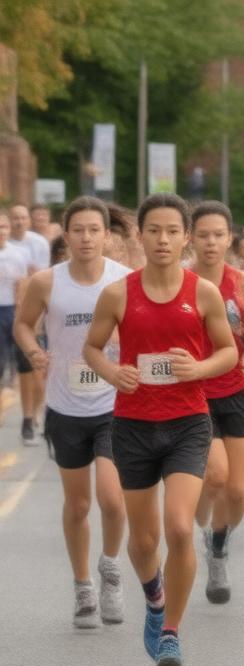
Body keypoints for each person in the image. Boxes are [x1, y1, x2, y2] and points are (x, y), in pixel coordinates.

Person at [82, 193, 237, 666]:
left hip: (188, 422)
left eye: (173, 231)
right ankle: (154, 597)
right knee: (144, 540)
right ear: (140, 236)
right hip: (132, 425)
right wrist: (112, 371)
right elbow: (92, 348)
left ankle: (171, 631)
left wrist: (200, 367)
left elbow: (229, 353)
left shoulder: (204, 293)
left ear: (186, 237)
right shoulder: (119, 294)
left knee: (178, 527)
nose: (164, 239)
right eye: (154, 230)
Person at [12, 197, 129, 628]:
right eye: (77, 229)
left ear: (106, 235)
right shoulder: (47, 282)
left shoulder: (124, 282)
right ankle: (83, 586)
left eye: (93, 230)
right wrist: (33, 350)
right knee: (78, 504)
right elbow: (24, 324)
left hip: (113, 404)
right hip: (65, 406)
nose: (85, 237)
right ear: (66, 234)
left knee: (113, 499)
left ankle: (111, 570)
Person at [190, 201, 244, 604]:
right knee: (216, 475)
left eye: (218, 235)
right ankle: (196, 515)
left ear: (229, 239)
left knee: (238, 493)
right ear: (191, 237)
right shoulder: (181, 280)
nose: (210, 242)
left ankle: (217, 544)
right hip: (193, 393)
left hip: (237, 389)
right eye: (203, 235)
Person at [6, 204, 50, 444]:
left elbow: (40, 277)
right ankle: (27, 418)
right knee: (26, 370)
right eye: (15, 218)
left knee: (41, 371)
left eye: (22, 217)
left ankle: (38, 415)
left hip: (42, 312)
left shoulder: (39, 244)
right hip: (19, 311)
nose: (18, 222)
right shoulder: (8, 247)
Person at [0, 210, 30, 405]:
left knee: (15, 353)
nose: (1, 231)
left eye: (4, 226)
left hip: (11, 308)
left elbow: (22, 283)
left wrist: (21, 309)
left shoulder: (18, 254)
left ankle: (10, 389)